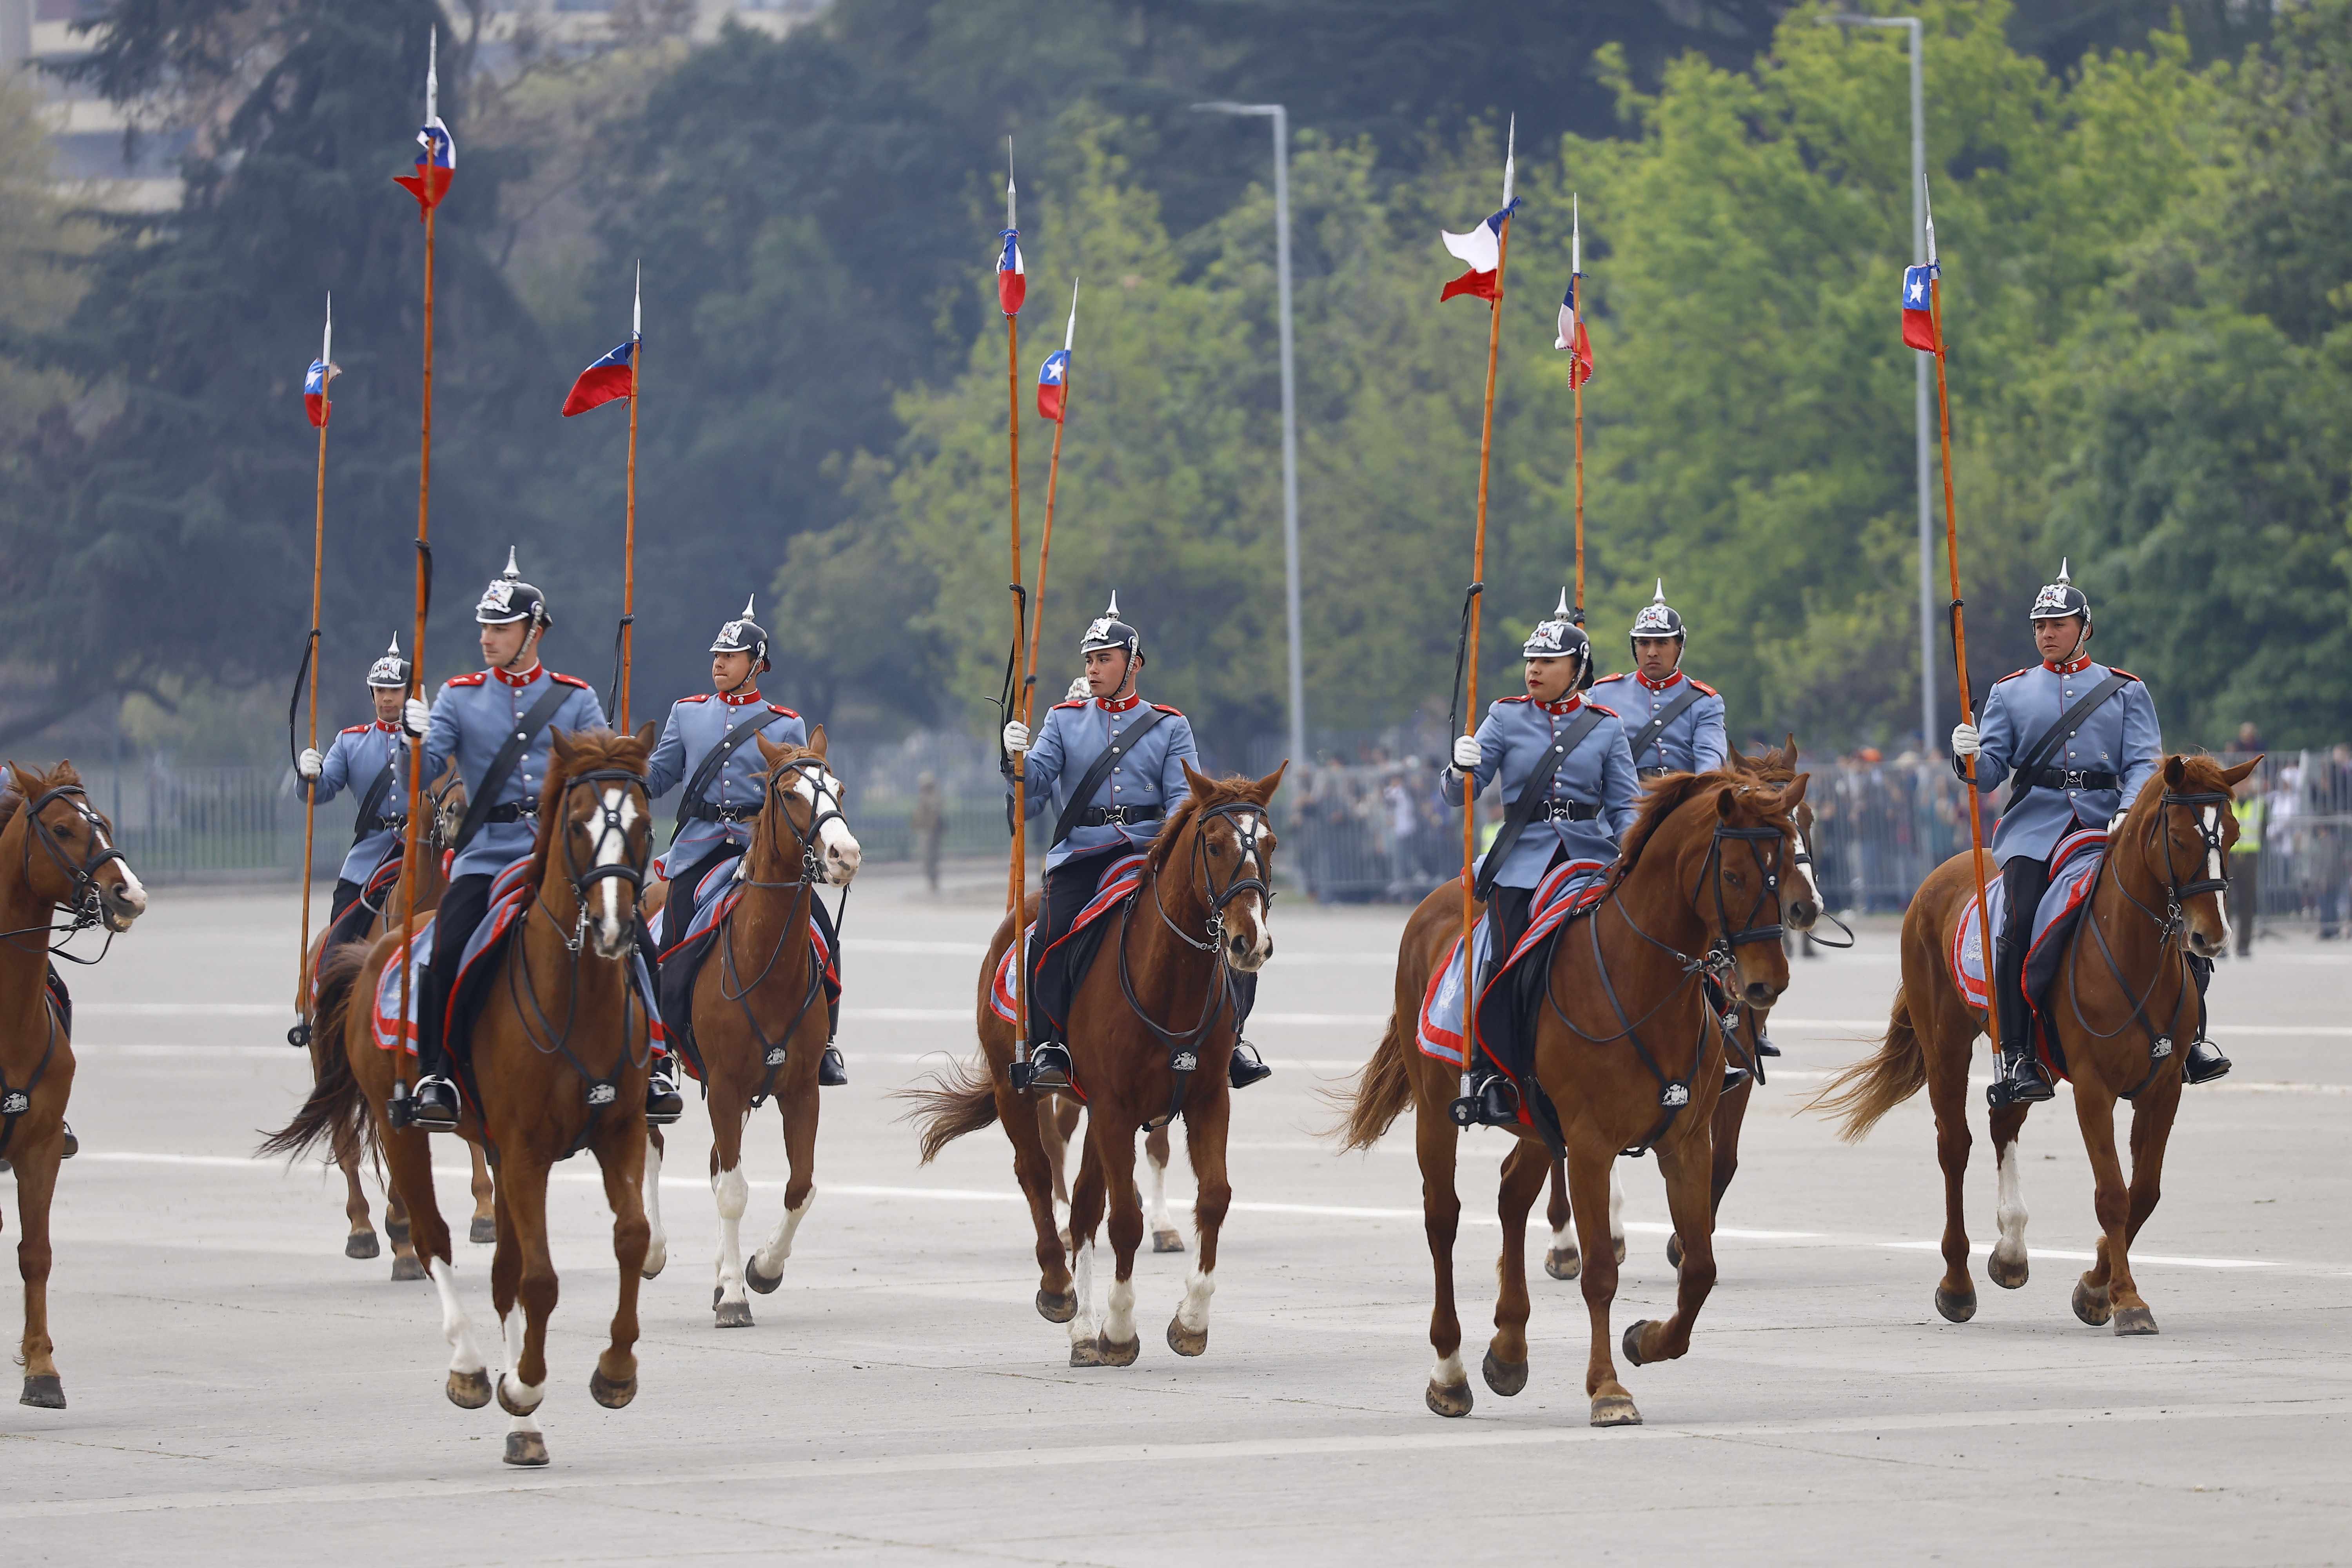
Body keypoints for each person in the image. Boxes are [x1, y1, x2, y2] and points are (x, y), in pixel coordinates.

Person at [399, 550, 681, 1129]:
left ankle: (655, 1061)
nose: (487, 638)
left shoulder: (574, 697)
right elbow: (422, 776)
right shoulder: (459, 695)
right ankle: (437, 1073)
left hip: (562, 854)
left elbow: (607, 766)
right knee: (445, 950)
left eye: (500, 628)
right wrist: (415, 736)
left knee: (635, 942)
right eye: (484, 627)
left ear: (534, 631)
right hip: (487, 853)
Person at [1951, 559, 2230, 1107]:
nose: (2046, 635)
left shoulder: (2125, 691)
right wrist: (1968, 755)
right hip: (2036, 832)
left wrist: (2128, 816)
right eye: (2039, 626)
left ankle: (2192, 1040)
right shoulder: (2010, 692)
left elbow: (2143, 765)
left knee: (2178, 908)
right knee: (2019, 920)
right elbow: (1988, 778)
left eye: (2057, 625)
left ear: (2085, 627)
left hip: (2112, 826)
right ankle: (2017, 1055)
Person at [1001, 593, 1270, 1093]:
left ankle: (1231, 1039)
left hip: (1150, 854)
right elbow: (1034, 792)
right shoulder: (1063, 719)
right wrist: (1013, 755)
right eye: (1090, 660)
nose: (1095, 667)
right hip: (1083, 854)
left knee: (1232, 926)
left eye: (1105, 658)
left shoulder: (1170, 724)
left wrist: (1167, 854)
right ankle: (1051, 1043)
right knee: (1047, 934)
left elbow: (1180, 799)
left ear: (1133, 664)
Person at [1438, 592, 1643, 1127]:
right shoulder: (1504, 718)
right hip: (1522, 864)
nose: (1534, 669)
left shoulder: (1605, 726)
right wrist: (1458, 769)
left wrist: (1635, 856)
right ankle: (1488, 1070)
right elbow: (1462, 793)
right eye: (1530, 660)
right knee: (1501, 959)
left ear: (1578, 669)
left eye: (1548, 661)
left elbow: (1624, 806)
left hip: (1589, 862)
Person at [644, 597, 845, 1086]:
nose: (718, 663)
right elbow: (657, 777)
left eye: (730, 656)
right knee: (668, 941)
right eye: (716, 654)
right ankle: (661, 1051)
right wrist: (622, 763)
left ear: (756, 665)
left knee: (823, 934)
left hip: (764, 852)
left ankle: (825, 1043)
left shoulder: (785, 724)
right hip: (700, 847)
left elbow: (796, 791)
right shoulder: (687, 714)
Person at [296, 636, 413, 926]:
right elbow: (319, 793)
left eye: (395, 690)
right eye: (381, 690)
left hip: (422, 849)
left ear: (409, 693)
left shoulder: (432, 738)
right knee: (339, 934)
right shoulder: (350, 741)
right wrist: (308, 774)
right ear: (372, 693)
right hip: (369, 856)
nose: (387, 698)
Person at [1588, 581, 1728, 779]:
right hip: (1625, 802)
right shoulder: (1603, 694)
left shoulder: (1705, 702)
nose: (1652, 652)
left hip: (1684, 800)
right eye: (1644, 643)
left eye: (1662, 643)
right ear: (1634, 647)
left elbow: (1711, 761)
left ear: (1679, 646)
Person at [912, 772, 944, 895]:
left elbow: (934, 814)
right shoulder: (924, 797)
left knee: (931, 858)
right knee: (927, 858)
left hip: (931, 833)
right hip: (925, 831)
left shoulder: (933, 798)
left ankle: (933, 881)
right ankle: (931, 881)